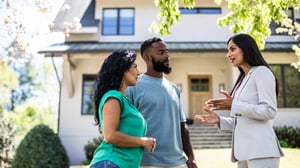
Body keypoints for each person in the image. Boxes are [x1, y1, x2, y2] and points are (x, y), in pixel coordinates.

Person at [195, 33, 284, 168]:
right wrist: (219, 120)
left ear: (246, 48)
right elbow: (245, 120)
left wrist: (234, 105)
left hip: (261, 151)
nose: (228, 54)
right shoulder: (242, 79)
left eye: (232, 49)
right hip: (244, 154)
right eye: (228, 50)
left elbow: (269, 111)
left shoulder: (262, 72)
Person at [126, 37, 198, 168]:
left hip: (178, 162)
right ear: (147, 58)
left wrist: (191, 157)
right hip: (146, 162)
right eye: (161, 52)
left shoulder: (173, 88)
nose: (167, 56)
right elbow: (125, 125)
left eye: (167, 51)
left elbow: (183, 126)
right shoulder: (133, 86)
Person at [90, 49, 156, 168]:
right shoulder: (113, 97)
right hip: (111, 162)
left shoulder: (125, 101)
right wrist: (142, 141)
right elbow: (110, 136)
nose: (139, 72)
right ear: (123, 69)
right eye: (135, 67)